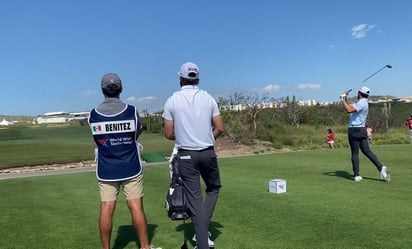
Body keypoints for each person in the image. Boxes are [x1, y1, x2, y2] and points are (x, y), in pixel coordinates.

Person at [88, 73, 161, 249]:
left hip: (106, 168)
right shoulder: (131, 111)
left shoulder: (93, 115)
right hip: (131, 166)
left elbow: (98, 139)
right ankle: (145, 246)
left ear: (102, 90)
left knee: (107, 208)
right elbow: (135, 134)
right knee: (135, 206)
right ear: (120, 89)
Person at [162, 62, 224, 249]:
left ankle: (202, 240)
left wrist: (185, 136)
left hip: (186, 155)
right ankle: (202, 235)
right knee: (213, 188)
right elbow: (219, 127)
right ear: (197, 78)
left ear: (181, 78)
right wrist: (205, 138)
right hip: (207, 152)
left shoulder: (172, 100)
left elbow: (168, 133)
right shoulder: (208, 98)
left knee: (195, 199)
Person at [341, 86, 391, 182]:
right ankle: (380, 168)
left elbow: (348, 110)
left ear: (359, 93)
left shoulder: (362, 103)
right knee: (366, 151)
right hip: (362, 130)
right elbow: (350, 106)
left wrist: (343, 99)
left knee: (355, 153)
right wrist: (345, 98)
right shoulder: (362, 103)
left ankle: (356, 175)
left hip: (354, 130)